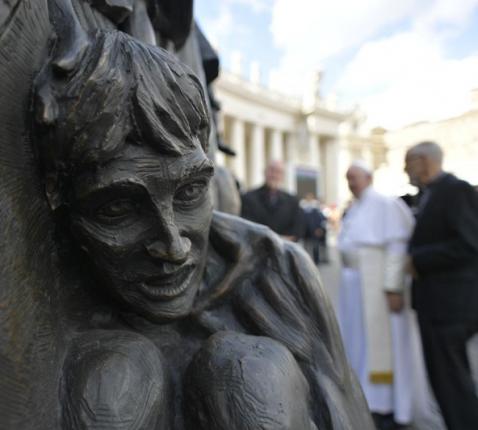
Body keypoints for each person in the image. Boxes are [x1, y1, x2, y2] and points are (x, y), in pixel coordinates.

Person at [26, 3, 374, 428]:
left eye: (191, 191)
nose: (173, 247)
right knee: (113, 384)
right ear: (59, 202)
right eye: (117, 208)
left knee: (249, 374)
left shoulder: (273, 272)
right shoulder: (36, 268)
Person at [405, 141, 478, 430]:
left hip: (452, 306)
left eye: (408, 162)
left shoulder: (456, 191)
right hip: (435, 304)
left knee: (453, 381)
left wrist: (418, 260)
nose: (404, 169)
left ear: (423, 161)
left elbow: (469, 245)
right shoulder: (430, 194)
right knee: (443, 380)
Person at [337, 161, 415, 430]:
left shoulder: (385, 204)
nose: (351, 182)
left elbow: (397, 246)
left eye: (355, 177)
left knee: (383, 346)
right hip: (355, 287)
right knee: (359, 343)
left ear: (369, 177)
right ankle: (368, 399)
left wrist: (393, 287)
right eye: (348, 178)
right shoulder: (355, 207)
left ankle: (387, 405)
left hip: (377, 287)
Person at [241, 160, 304, 241]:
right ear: (265, 172)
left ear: (283, 176)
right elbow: (246, 225)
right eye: (271, 170)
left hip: (284, 250)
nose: (274, 175)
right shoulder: (248, 197)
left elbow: (298, 230)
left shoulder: (293, 201)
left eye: (278, 172)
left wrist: (279, 241)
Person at [301, 193, 328, 264]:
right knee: (306, 247)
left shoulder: (315, 209)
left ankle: (316, 261)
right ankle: (306, 262)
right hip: (306, 232)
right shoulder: (303, 209)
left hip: (314, 231)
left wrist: (319, 228)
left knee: (315, 247)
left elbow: (319, 219)